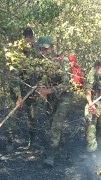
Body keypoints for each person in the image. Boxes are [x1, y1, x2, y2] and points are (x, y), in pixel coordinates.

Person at [36, 36, 74, 167]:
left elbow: (66, 84)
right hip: (51, 99)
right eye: (41, 49)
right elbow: (41, 80)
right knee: (52, 121)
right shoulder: (41, 63)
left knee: (56, 124)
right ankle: (60, 144)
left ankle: (51, 155)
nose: (44, 52)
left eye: (46, 49)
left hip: (64, 97)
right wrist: (41, 89)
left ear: (52, 48)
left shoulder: (61, 61)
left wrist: (49, 91)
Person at [6, 27, 40, 151]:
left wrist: (38, 85)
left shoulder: (36, 50)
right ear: (24, 38)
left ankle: (32, 141)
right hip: (17, 87)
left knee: (32, 115)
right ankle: (10, 142)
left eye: (31, 39)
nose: (30, 42)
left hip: (32, 88)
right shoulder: (16, 53)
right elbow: (13, 76)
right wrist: (18, 96)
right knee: (12, 114)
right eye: (27, 39)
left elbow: (41, 68)